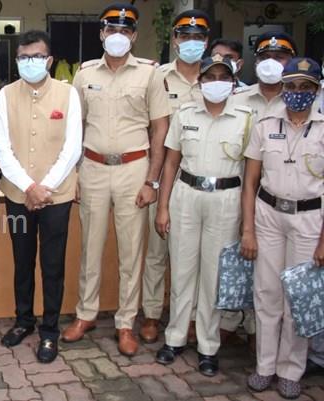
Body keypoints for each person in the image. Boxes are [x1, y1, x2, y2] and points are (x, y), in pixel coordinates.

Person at [62, 3, 171, 357]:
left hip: (134, 169)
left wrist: (151, 182)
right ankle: (86, 314)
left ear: (134, 36)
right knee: (90, 248)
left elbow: (160, 129)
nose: (118, 36)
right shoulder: (84, 74)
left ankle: (126, 322)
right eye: (112, 29)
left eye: (125, 30)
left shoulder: (150, 74)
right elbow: (75, 127)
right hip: (93, 167)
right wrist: (75, 171)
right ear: (101, 33)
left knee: (131, 251)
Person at [153, 54, 251, 376]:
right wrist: (163, 207)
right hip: (187, 195)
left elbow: (252, 172)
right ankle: (175, 338)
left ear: (233, 82)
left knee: (213, 276)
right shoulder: (185, 114)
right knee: (182, 271)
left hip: (225, 199)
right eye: (210, 77)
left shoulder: (245, 118)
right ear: (200, 82)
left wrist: (247, 222)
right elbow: (171, 163)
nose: (216, 83)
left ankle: (208, 346)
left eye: (223, 77)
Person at [0, 30, 81, 363]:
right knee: (23, 260)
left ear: (49, 60)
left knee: (53, 264)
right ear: (17, 60)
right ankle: (24, 320)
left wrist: (45, 187)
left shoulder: (68, 94)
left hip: (57, 196)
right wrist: (29, 187)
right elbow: (2, 148)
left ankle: (49, 330)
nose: (30, 62)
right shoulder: (5, 95)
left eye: (37, 57)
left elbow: (72, 147)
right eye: (24, 57)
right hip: (18, 195)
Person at [240, 57, 324, 399]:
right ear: (283, 88)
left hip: (309, 219)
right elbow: (250, 181)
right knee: (267, 293)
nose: (297, 92)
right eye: (291, 86)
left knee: (296, 298)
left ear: (316, 90)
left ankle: (291, 369)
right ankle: (264, 366)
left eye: (305, 87)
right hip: (269, 215)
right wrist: (248, 229)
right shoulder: (265, 124)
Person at [223, 31, 297, 349]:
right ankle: (229, 321)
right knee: (234, 255)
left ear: (291, 61)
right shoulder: (237, 98)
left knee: (269, 267)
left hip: (279, 193)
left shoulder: (297, 100)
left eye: (280, 57)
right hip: (238, 187)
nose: (272, 63)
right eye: (265, 57)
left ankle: (259, 329)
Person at [141, 9, 210, 345]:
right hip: (163, 176)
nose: (191, 42)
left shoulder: (217, 80)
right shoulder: (158, 77)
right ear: (175, 40)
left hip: (200, 180)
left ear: (206, 41)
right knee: (157, 251)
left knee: (194, 256)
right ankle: (152, 314)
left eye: (198, 37)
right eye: (185, 36)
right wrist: (151, 180)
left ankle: (192, 317)